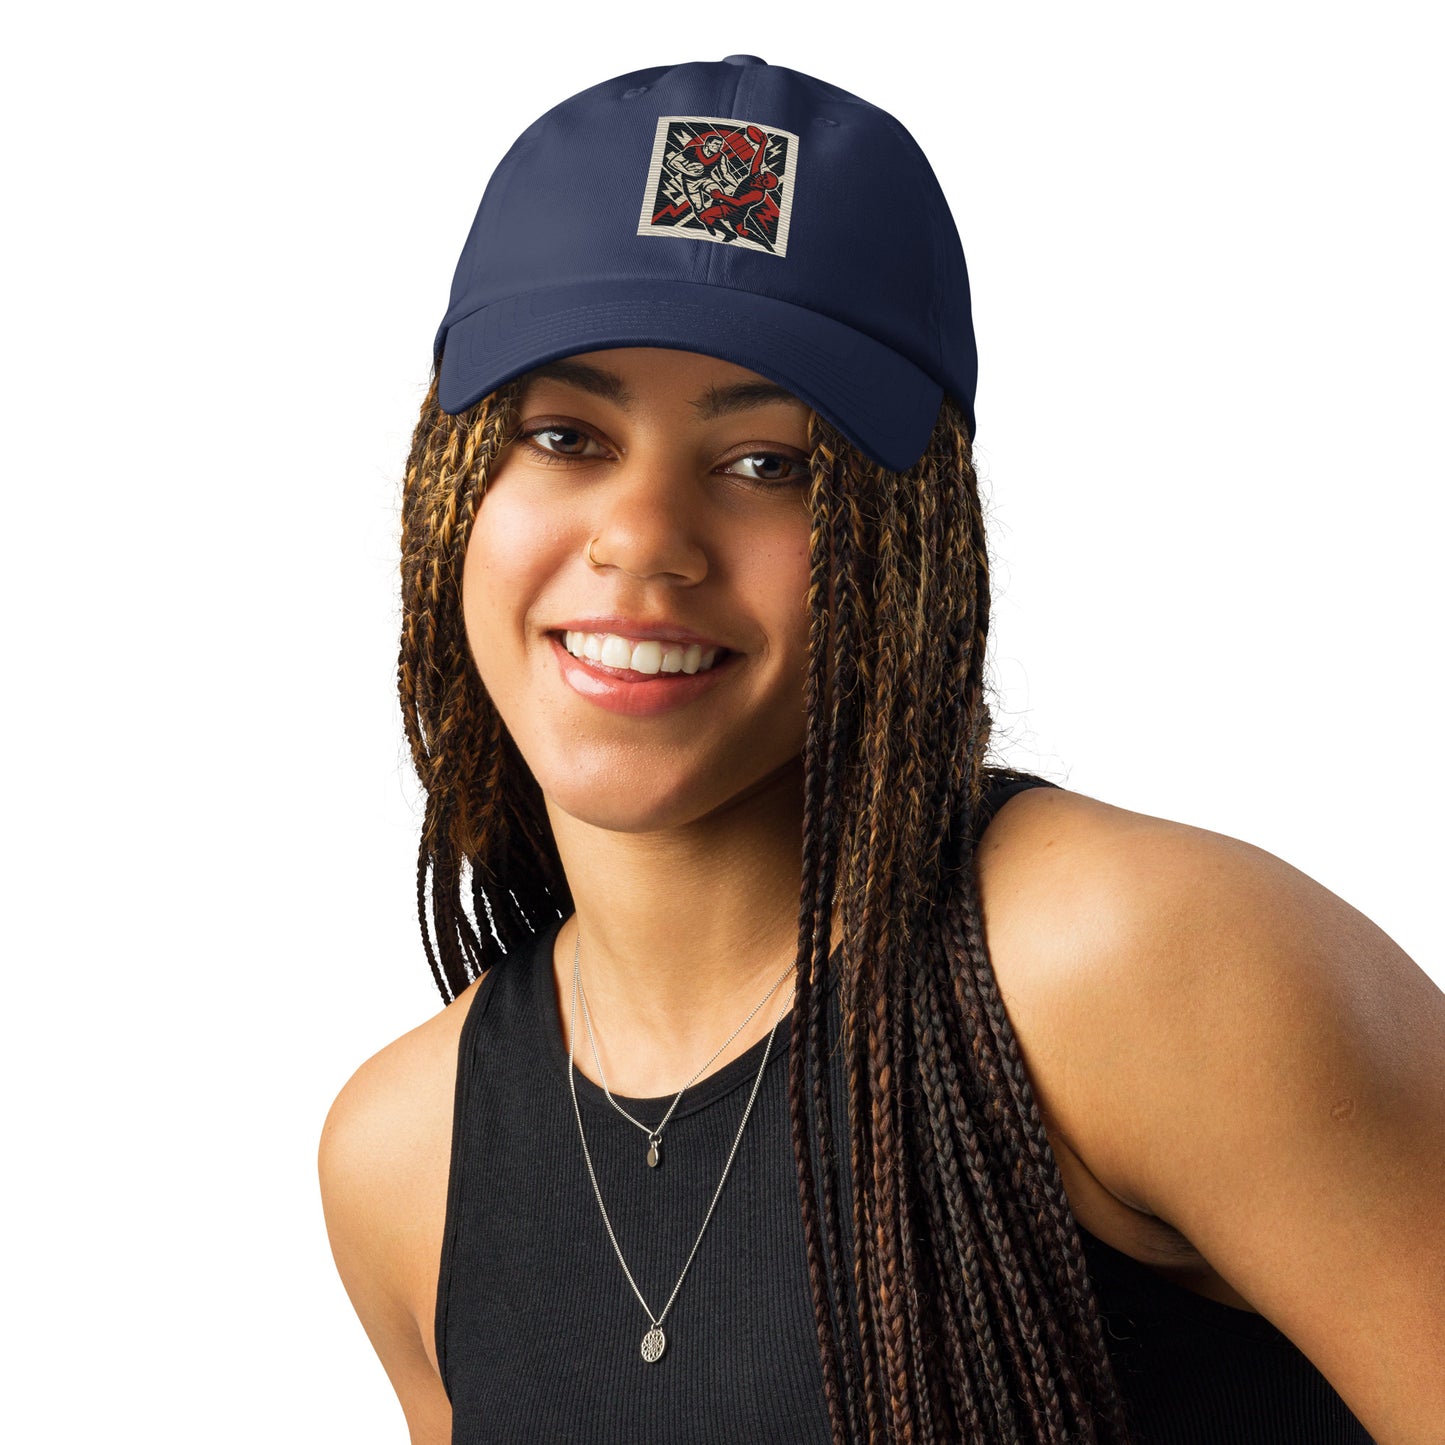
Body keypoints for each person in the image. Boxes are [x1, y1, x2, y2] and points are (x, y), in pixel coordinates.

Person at [318, 56, 1444, 1445]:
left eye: (768, 462)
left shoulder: (1127, 964)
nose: (641, 538)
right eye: (564, 435)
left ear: (912, 543)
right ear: (451, 491)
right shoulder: (404, 1156)